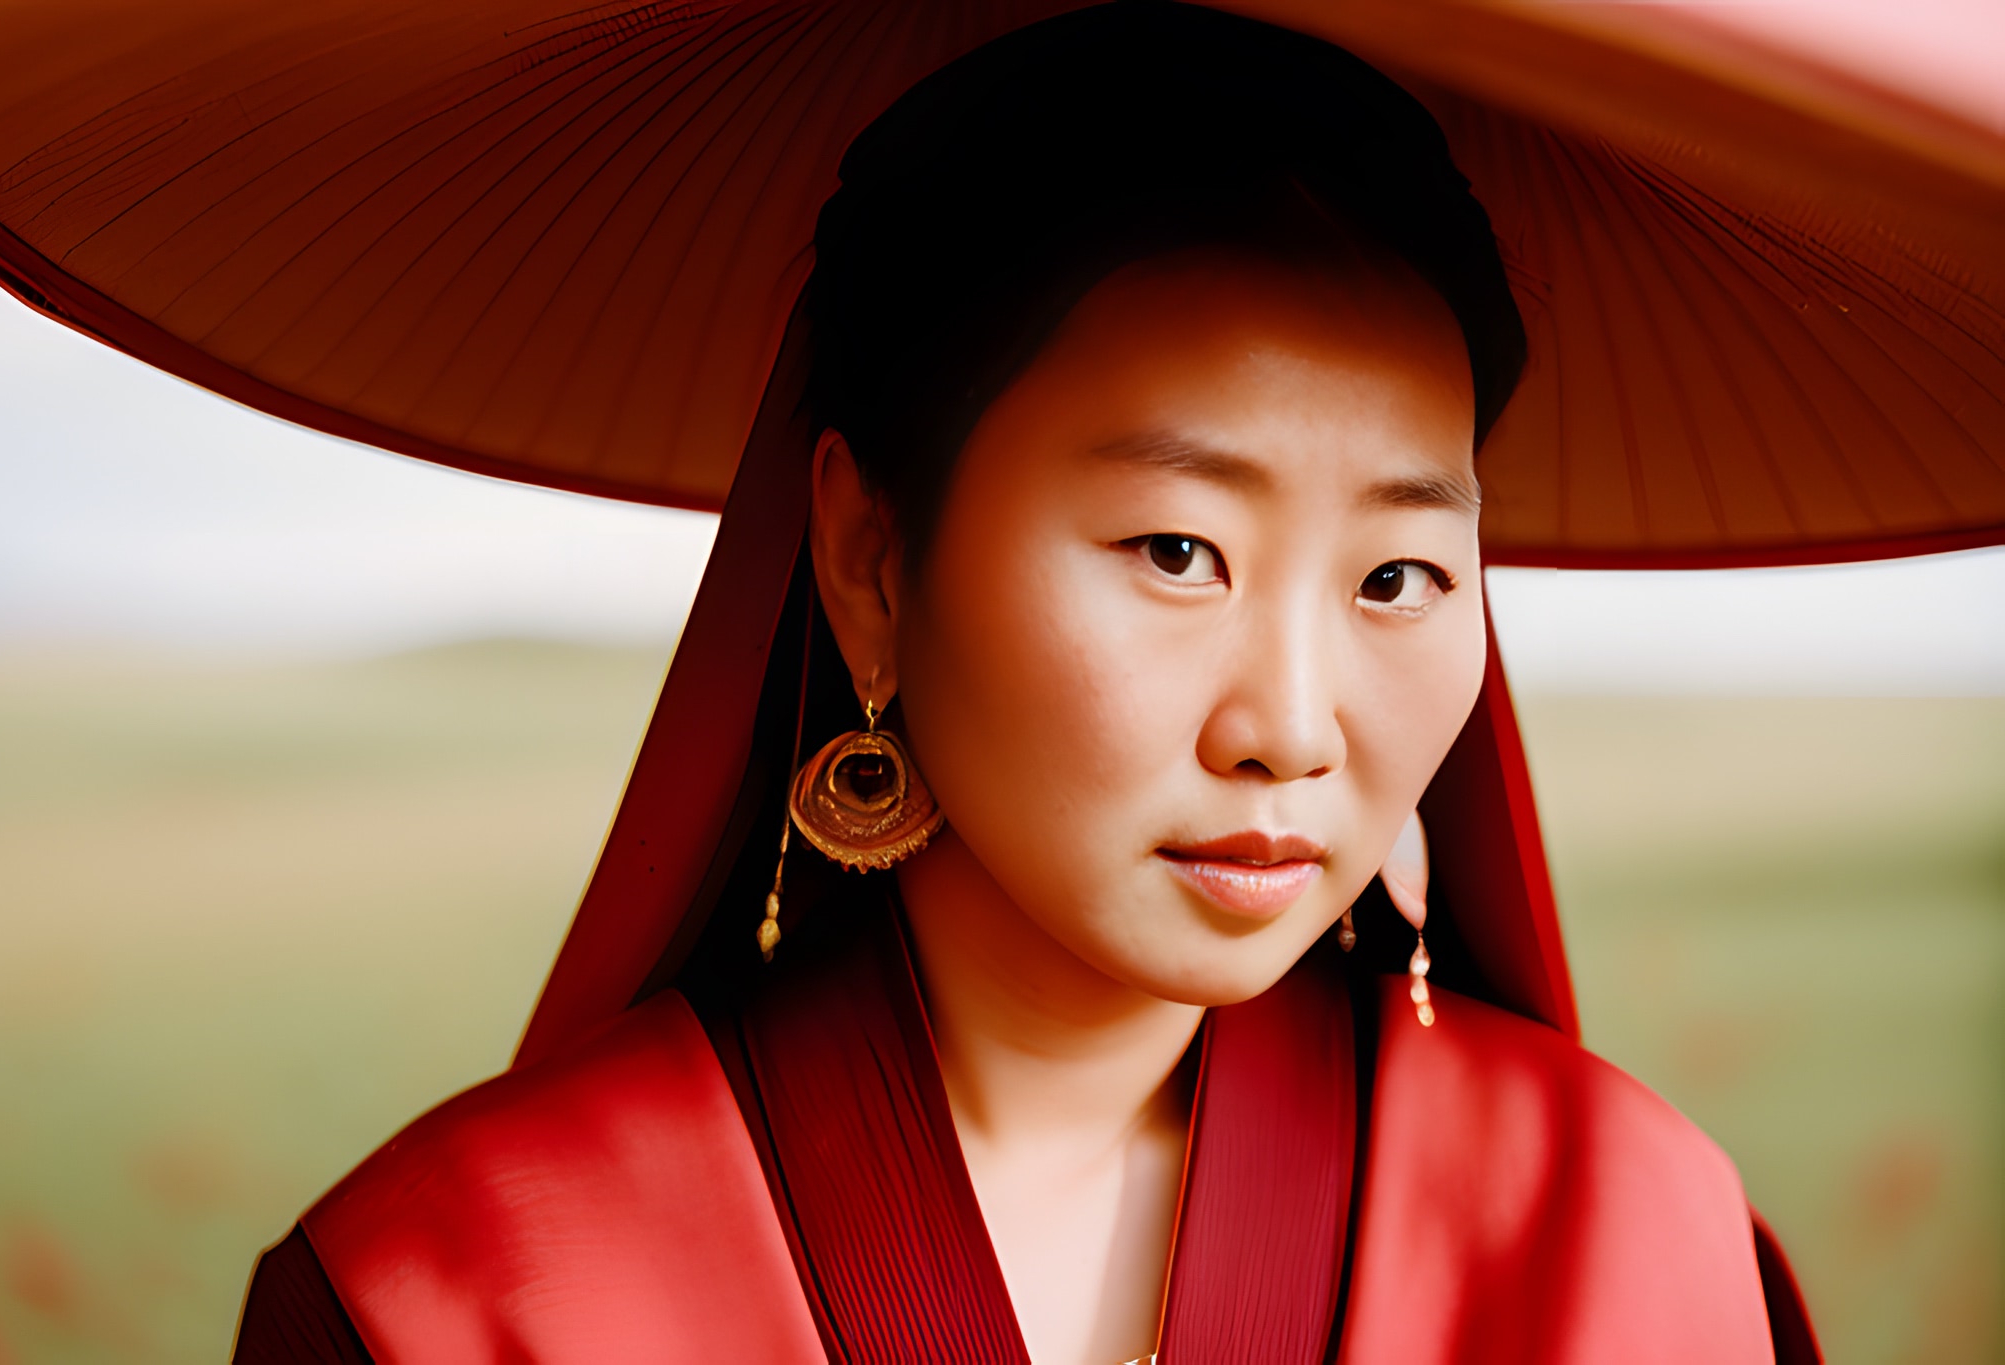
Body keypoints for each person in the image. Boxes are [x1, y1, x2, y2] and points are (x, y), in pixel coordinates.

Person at [233, 6, 1816, 1362]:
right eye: (1176, 550)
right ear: (869, 556)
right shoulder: (460, 1298)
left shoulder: (1634, 1245)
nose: (1290, 724)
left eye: (1397, 575)